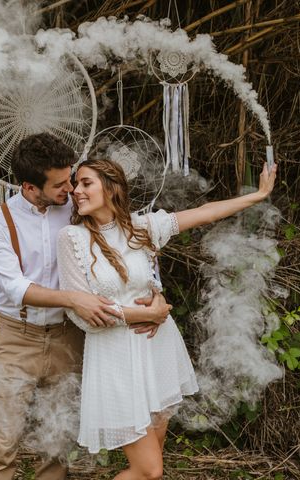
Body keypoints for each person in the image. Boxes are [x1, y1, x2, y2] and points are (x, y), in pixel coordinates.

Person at [57, 157, 278, 480]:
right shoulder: (72, 239)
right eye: (76, 184)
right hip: (115, 358)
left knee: (152, 461)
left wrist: (256, 196)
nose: (76, 190)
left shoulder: (141, 227)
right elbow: (83, 314)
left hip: (157, 349)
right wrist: (146, 313)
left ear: (111, 187)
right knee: (149, 470)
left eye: (85, 183)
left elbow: (204, 213)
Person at [0, 133, 170, 480]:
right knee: (2, 444)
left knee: (56, 444)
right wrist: (74, 298)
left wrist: (155, 291)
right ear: (30, 187)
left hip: (70, 337)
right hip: (16, 339)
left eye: (71, 179)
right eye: (60, 184)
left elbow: (129, 240)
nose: (70, 188)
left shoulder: (80, 207)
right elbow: (17, 287)